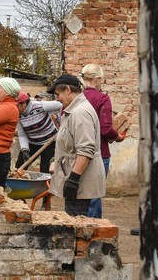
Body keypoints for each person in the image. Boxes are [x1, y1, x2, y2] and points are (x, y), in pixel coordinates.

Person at [48, 74, 105, 217]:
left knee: (76, 225)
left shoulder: (80, 113)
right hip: (76, 176)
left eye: (58, 94)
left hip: (80, 181)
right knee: (76, 222)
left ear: (67, 89)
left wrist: (74, 179)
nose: (57, 98)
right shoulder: (73, 110)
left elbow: (85, 150)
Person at [81, 64, 125, 218]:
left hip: (78, 152)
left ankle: (96, 229)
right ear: (98, 79)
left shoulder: (76, 97)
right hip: (99, 152)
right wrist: (118, 137)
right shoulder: (102, 98)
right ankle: (90, 231)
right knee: (94, 194)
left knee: (83, 195)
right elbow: (105, 128)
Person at [14, 91, 63, 174]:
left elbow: (62, 105)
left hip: (50, 142)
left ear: (24, 103)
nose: (14, 108)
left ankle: (45, 186)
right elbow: (22, 134)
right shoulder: (17, 114)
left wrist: (64, 120)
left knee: (45, 170)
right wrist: (25, 149)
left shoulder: (40, 106)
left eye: (16, 106)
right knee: (20, 166)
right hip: (32, 142)